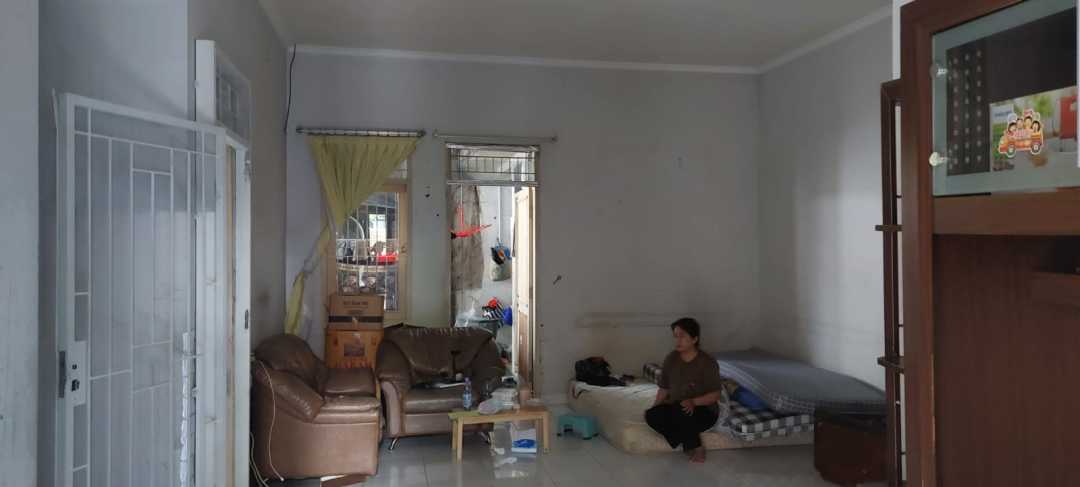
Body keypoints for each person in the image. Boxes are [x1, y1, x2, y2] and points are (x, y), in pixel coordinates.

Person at [645, 318, 724, 463]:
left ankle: (696, 447)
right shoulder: (671, 358)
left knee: (681, 408)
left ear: (694, 339)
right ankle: (685, 437)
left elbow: (715, 394)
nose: (677, 340)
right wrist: (656, 407)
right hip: (677, 407)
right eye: (675, 336)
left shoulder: (707, 362)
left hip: (704, 410)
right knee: (651, 415)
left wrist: (693, 402)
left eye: (682, 336)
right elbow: (664, 388)